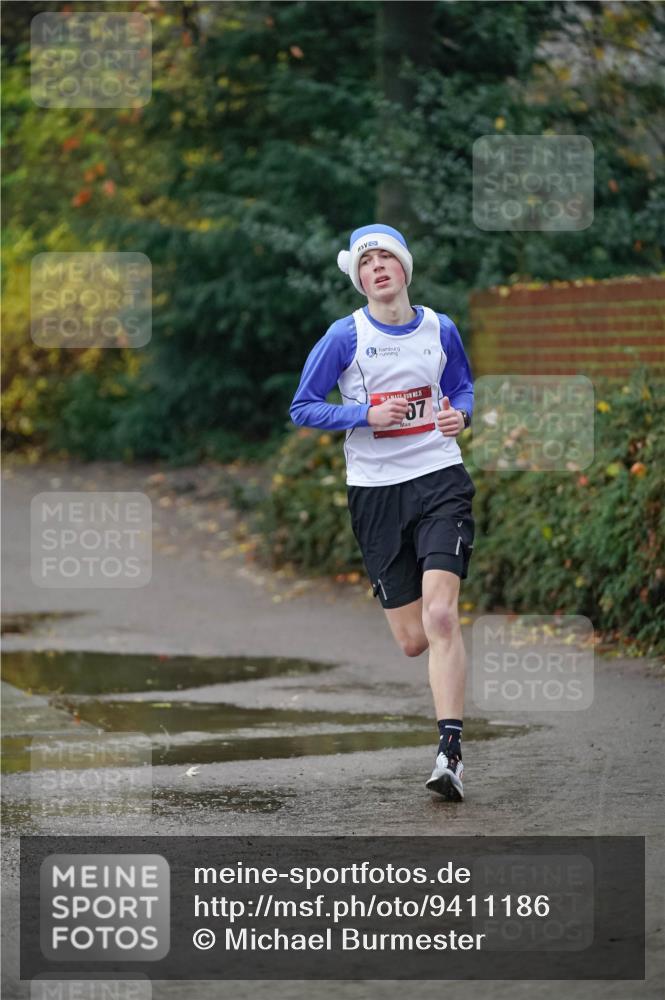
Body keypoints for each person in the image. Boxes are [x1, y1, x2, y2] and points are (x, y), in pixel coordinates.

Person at [289, 224, 475, 802]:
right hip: (375, 492)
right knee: (415, 640)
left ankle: (450, 754)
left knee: (441, 616)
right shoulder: (345, 335)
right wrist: (364, 414)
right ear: (359, 278)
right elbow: (303, 407)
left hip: (440, 478)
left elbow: (462, 388)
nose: (377, 267)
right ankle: (445, 712)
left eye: (385, 258)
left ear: (403, 268)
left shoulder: (440, 328)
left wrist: (461, 416)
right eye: (366, 262)